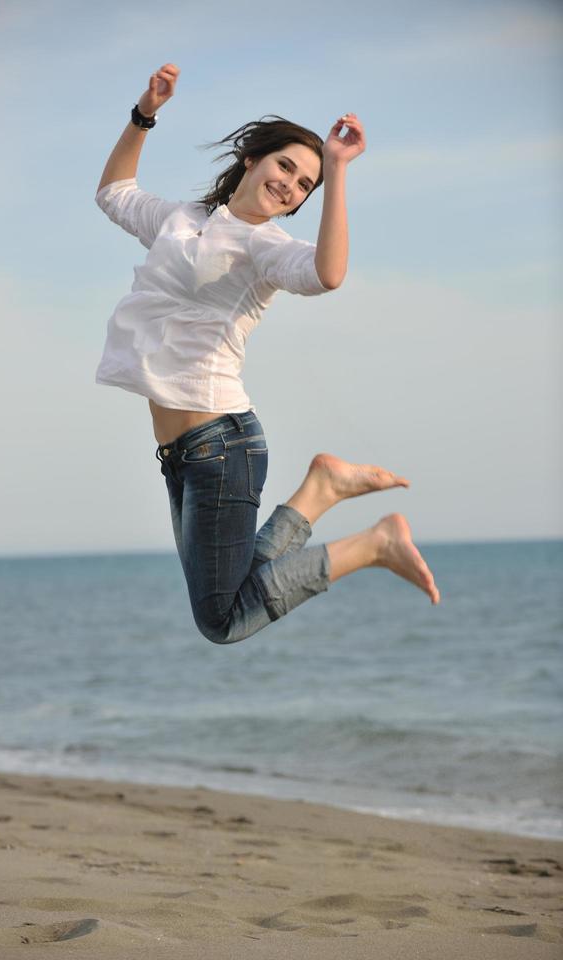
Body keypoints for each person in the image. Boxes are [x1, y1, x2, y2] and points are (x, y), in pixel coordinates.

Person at [95, 62, 440, 644]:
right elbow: (113, 192)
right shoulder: (182, 221)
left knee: (223, 620)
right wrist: (144, 113)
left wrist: (337, 168)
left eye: (305, 184)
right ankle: (321, 490)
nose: (291, 184)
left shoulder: (265, 248)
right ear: (252, 159)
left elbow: (328, 274)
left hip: (221, 444)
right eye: (286, 165)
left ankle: (375, 543)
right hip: (182, 453)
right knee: (235, 593)